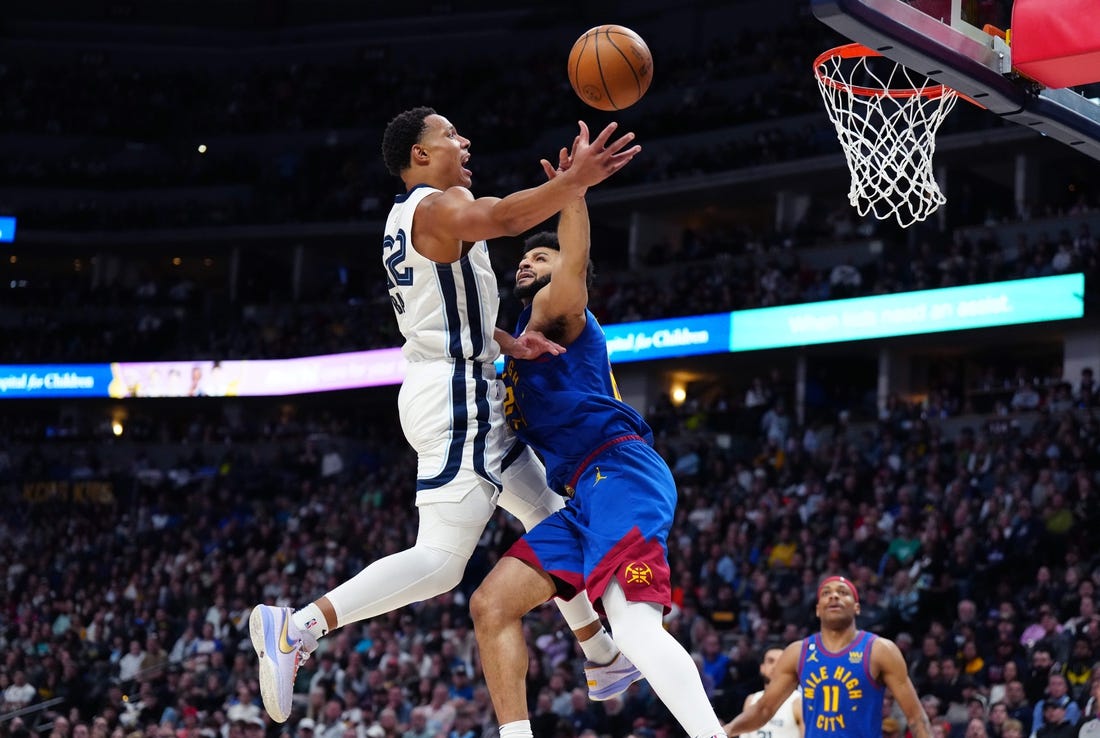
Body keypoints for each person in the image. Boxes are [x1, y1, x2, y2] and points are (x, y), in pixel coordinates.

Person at [248, 107, 642, 723]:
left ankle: (601, 653)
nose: (464, 141)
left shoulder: (410, 217)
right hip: (458, 397)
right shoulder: (435, 207)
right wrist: (574, 183)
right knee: (441, 562)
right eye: (450, 135)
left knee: (549, 515)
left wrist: (509, 342)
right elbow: (505, 218)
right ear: (421, 155)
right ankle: (299, 627)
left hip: (460, 385)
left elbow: (445, 310)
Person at [468, 163, 727, 738]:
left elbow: (575, 259)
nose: (526, 263)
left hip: (620, 471)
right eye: (523, 258)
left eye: (540, 257)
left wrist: (573, 192)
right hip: (583, 494)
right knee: (491, 604)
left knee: (634, 628)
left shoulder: (561, 310)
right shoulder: (523, 336)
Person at [721, 576, 933, 738]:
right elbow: (764, 709)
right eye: (826, 593)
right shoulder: (797, 652)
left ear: (857, 607)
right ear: (817, 609)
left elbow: (916, 717)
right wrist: (726, 731)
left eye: (843, 592)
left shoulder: (880, 650)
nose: (834, 596)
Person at [738, 647, 804, 738]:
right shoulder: (751, 700)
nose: (775, 666)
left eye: (781, 662)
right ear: (762, 668)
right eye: (771, 661)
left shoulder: (798, 701)